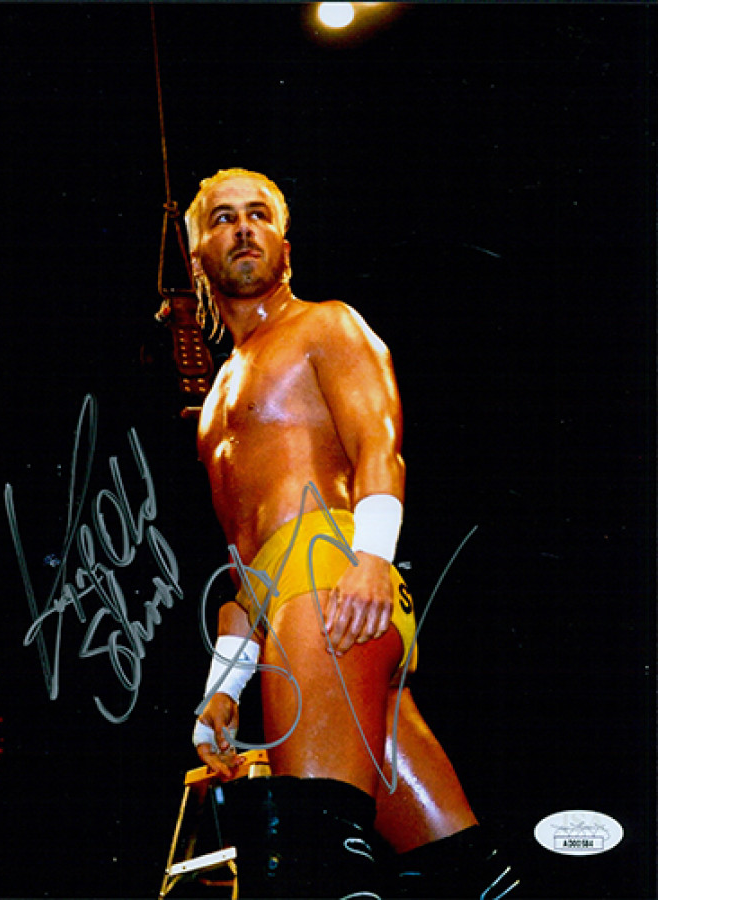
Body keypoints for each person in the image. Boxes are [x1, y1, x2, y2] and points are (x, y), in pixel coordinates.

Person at [184, 168, 518, 899]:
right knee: (463, 876)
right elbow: (243, 563)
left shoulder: (324, 325)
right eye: (222, 219)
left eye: (259, 215)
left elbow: (378, 446)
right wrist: (224, 689)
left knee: (314, 860)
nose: (243, 228)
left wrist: (370, 560)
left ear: (286, 245)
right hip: (288, 609)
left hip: (333, 582)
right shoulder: (213, 404)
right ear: (198, 255)